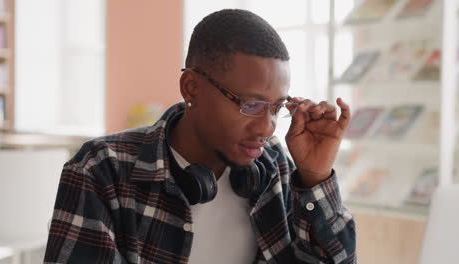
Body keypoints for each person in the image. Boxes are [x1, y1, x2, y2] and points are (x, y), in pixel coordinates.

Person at [44, 9, 356, 264]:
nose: (267, 128)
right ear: (191, 87)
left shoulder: (275, 168)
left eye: (276, 108)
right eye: (251, 104)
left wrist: (315, 176)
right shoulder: (101, 169)